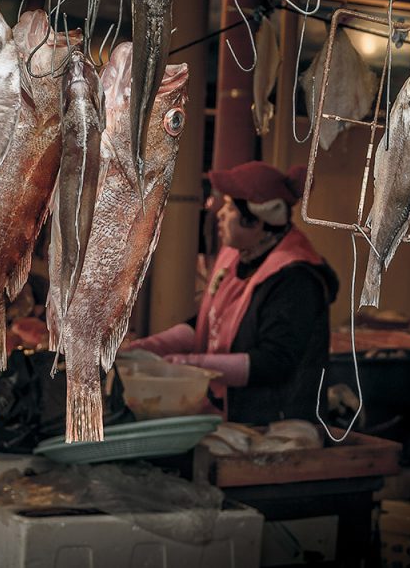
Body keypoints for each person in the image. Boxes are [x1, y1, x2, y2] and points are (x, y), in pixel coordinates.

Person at [130, 161, 338, 424]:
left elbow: (274, 362)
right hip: (229, 413)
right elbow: (210, 322)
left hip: (276, 425)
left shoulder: (295, 279)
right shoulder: (237, 256)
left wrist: (188, 365)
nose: (220, 214)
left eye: (230, 207)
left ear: (256, 220)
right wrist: (150, 349)